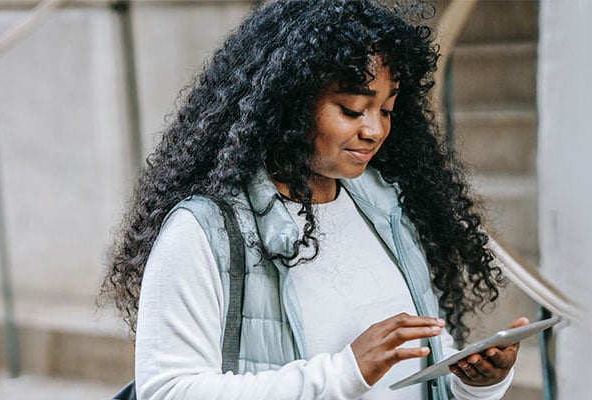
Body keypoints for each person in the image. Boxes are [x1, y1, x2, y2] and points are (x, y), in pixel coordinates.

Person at [102, 1, 529, 398]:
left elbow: (414, 360)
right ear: (287, 104)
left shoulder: (385, 206)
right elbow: (169, 390)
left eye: (387, 110)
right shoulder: (203, 231)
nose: (375, 130)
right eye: (351, 109)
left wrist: (476, 383)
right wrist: (344, 373)